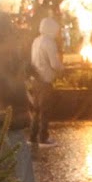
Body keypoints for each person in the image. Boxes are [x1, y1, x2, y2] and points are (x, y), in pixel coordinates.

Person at [0, 13, 34, 182]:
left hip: (1, 106)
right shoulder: (13, 53)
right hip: (13, 104)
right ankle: (26, 179)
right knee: (16, 141)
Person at [29, 15, 64, 146]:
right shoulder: (49, 42)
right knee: (44, 110)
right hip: (45, 80)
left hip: (35, 79)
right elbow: (54, 63)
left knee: (36, 109)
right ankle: (43, 137)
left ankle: (33, 136)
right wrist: (61, 69)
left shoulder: (36, 41)